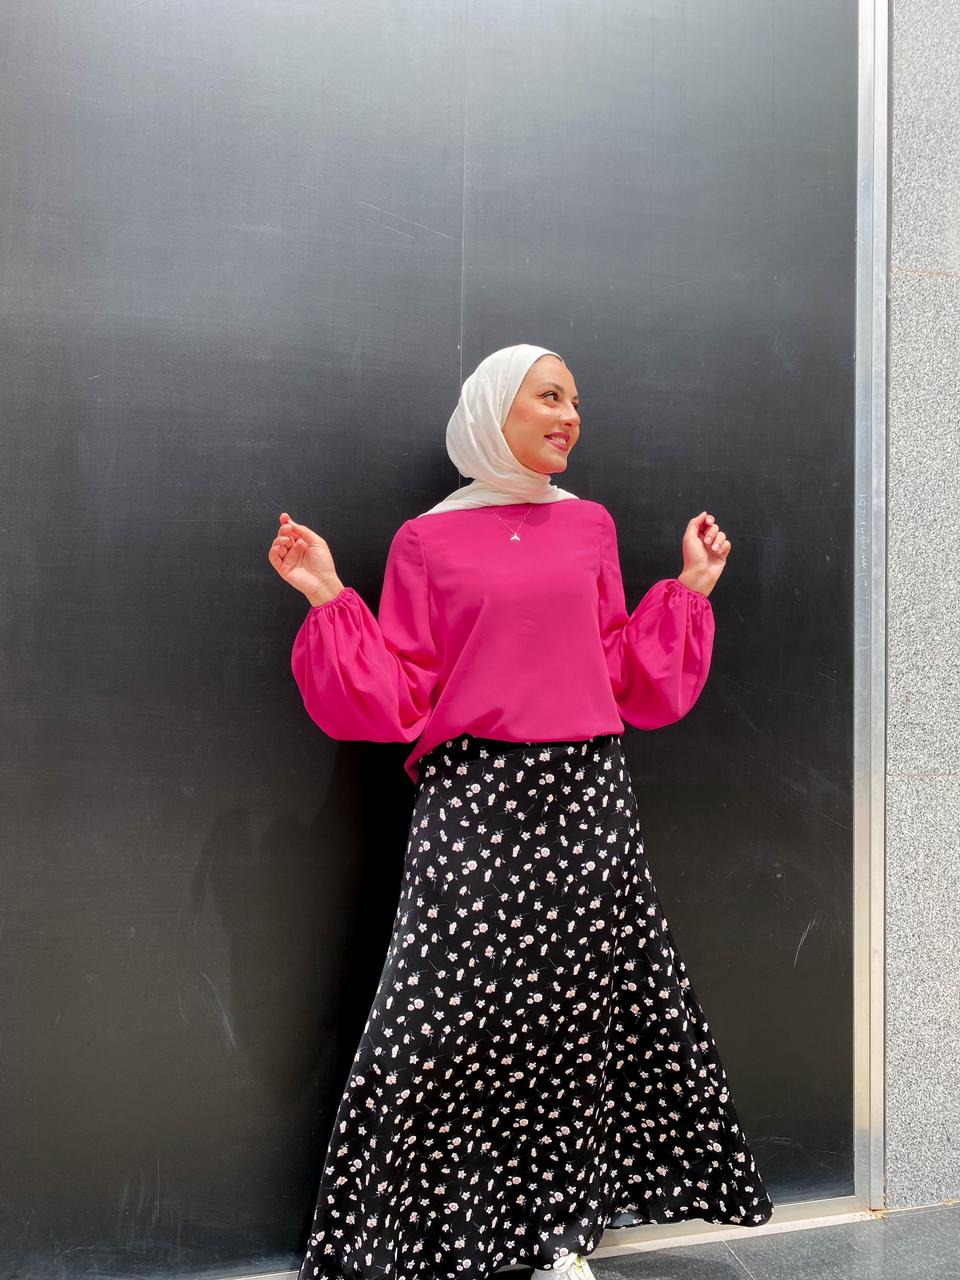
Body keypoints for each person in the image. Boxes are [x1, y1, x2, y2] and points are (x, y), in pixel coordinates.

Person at [268, 344, 774, 1280]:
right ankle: (414, 1239)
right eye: (550, 396)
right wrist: (329, 595)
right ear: (496, 410)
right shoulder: (427, 541)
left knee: (576, 1018)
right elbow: (402, 690)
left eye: (576, 399)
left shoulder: (590, 527)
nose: (570, 413)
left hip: (587, 795)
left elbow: (623, 670)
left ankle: (555, 1235)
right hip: (474, 799)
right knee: (442, 1019)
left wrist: (692, 586)